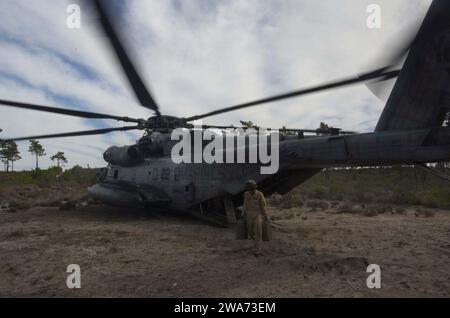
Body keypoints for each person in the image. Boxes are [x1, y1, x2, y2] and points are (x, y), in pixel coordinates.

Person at [242, 179, 268, 256]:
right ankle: (255, 242)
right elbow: (245, 204)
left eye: (252, 189)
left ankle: (258, 250)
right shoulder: (246, 194)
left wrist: (265, 216)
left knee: (258, 233)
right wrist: (242, 213)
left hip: (257, 215)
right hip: (249, 215)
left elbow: (263, 206)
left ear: (255, 188)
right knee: (250, 232)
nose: (251, 191)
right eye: (249, 190)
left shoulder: (259, 194)